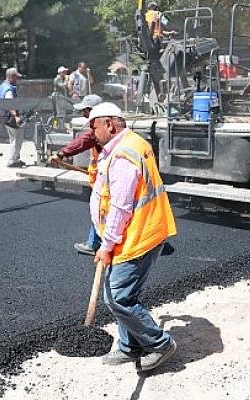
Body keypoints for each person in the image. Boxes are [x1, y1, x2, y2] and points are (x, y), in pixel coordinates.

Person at [85, 102, 178, 371]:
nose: (93, 133)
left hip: (136, 235)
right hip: (140, 229)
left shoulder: (124, 155)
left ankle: (160, 344)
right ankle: (130, 346)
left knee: (118, 298)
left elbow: (120, 206)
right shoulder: (128, 144)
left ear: (109, 124)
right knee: (121, 295)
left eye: (95, 127)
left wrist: (106, 244)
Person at [49, 94, 103, 255]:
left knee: (100, 208)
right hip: (108, 174)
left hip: (106, 176)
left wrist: (61, 153)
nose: (83, 114)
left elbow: (84, 140)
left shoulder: (99, 128)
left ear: (92, 110)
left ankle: (93, 244)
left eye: (85, 110)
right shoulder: (114, 124)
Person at [0, 67, 25, 168]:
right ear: (11, 77)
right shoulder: (8, 89)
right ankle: (12, 161)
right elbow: (10, 104)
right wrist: (16, 116)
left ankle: (16, 158)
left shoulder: (3, 86)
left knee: (13, 138)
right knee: (17, 139)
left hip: (5, 117)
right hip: (11, 117)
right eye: (16, 78)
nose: (17, 80)